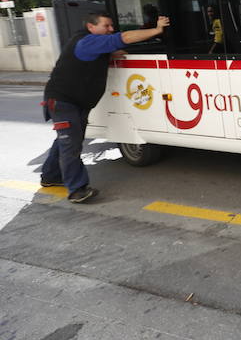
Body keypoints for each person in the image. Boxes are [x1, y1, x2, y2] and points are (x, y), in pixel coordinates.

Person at [41, 12, 171, 203]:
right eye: (106, 26)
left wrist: (110, 54)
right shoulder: (88, 41)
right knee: (71, 144)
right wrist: (157, 30)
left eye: (111, 26)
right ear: (91, 27)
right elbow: (124, 38)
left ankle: (50, 176)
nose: (111, 29)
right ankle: (77, 190)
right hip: (63, 101)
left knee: (67, 139)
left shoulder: (89, 44)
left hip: (76, 101)